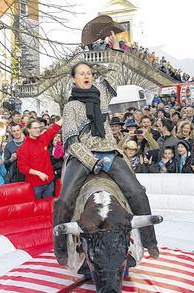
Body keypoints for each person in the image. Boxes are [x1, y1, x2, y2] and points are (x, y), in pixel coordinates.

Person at [55, 62, 159, 265]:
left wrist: (116, 48)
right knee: (64, 200)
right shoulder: (70, 107)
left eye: (89, 73)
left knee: (137, 192)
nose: (87, 76)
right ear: (73, 79)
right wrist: (91, 162)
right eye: (82, 73)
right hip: (82, 156)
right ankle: (60, 248)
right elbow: (71, 140)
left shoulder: (101, 93)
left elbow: (118, 71)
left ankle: (150, 240)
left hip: (110, 152)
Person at [18, 119, 62, 198]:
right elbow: (22, 168)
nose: (37, 130)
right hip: (35, 185)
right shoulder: (24, 148)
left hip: (49, 181)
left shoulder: (43, 139)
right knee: (37, 208)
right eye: (35, 128)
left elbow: (55, 128)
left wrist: (68, 111)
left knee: (49, 206)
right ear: (28, 129)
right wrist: (39, 173)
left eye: (39, 128)